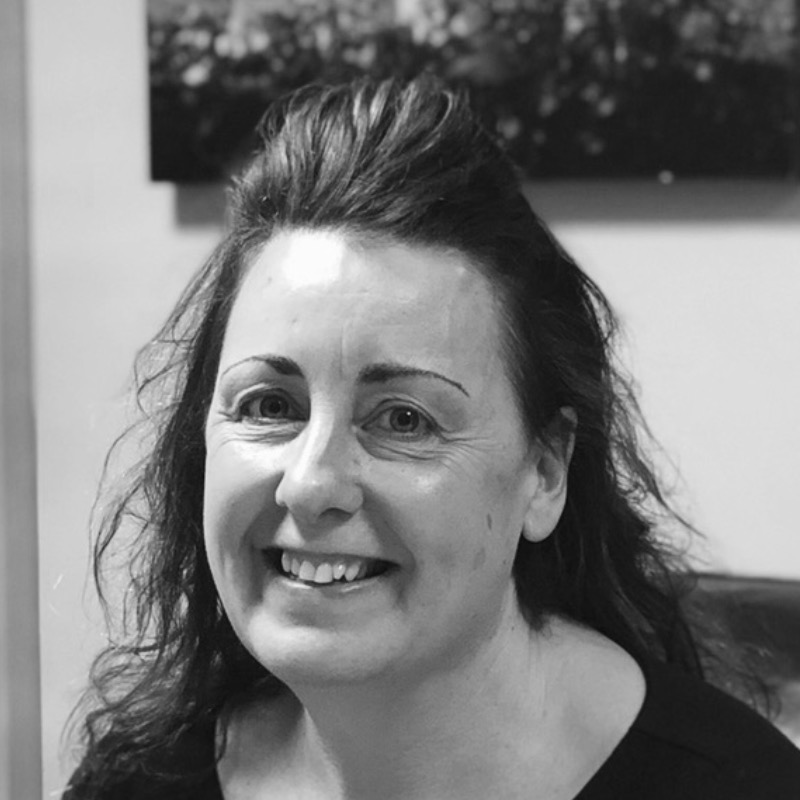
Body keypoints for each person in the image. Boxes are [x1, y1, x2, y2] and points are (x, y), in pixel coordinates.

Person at [64, 75, 800, 799]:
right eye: (269, 406)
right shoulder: (142, 782)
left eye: (403, 419)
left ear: (544, 471)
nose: (312, 482)